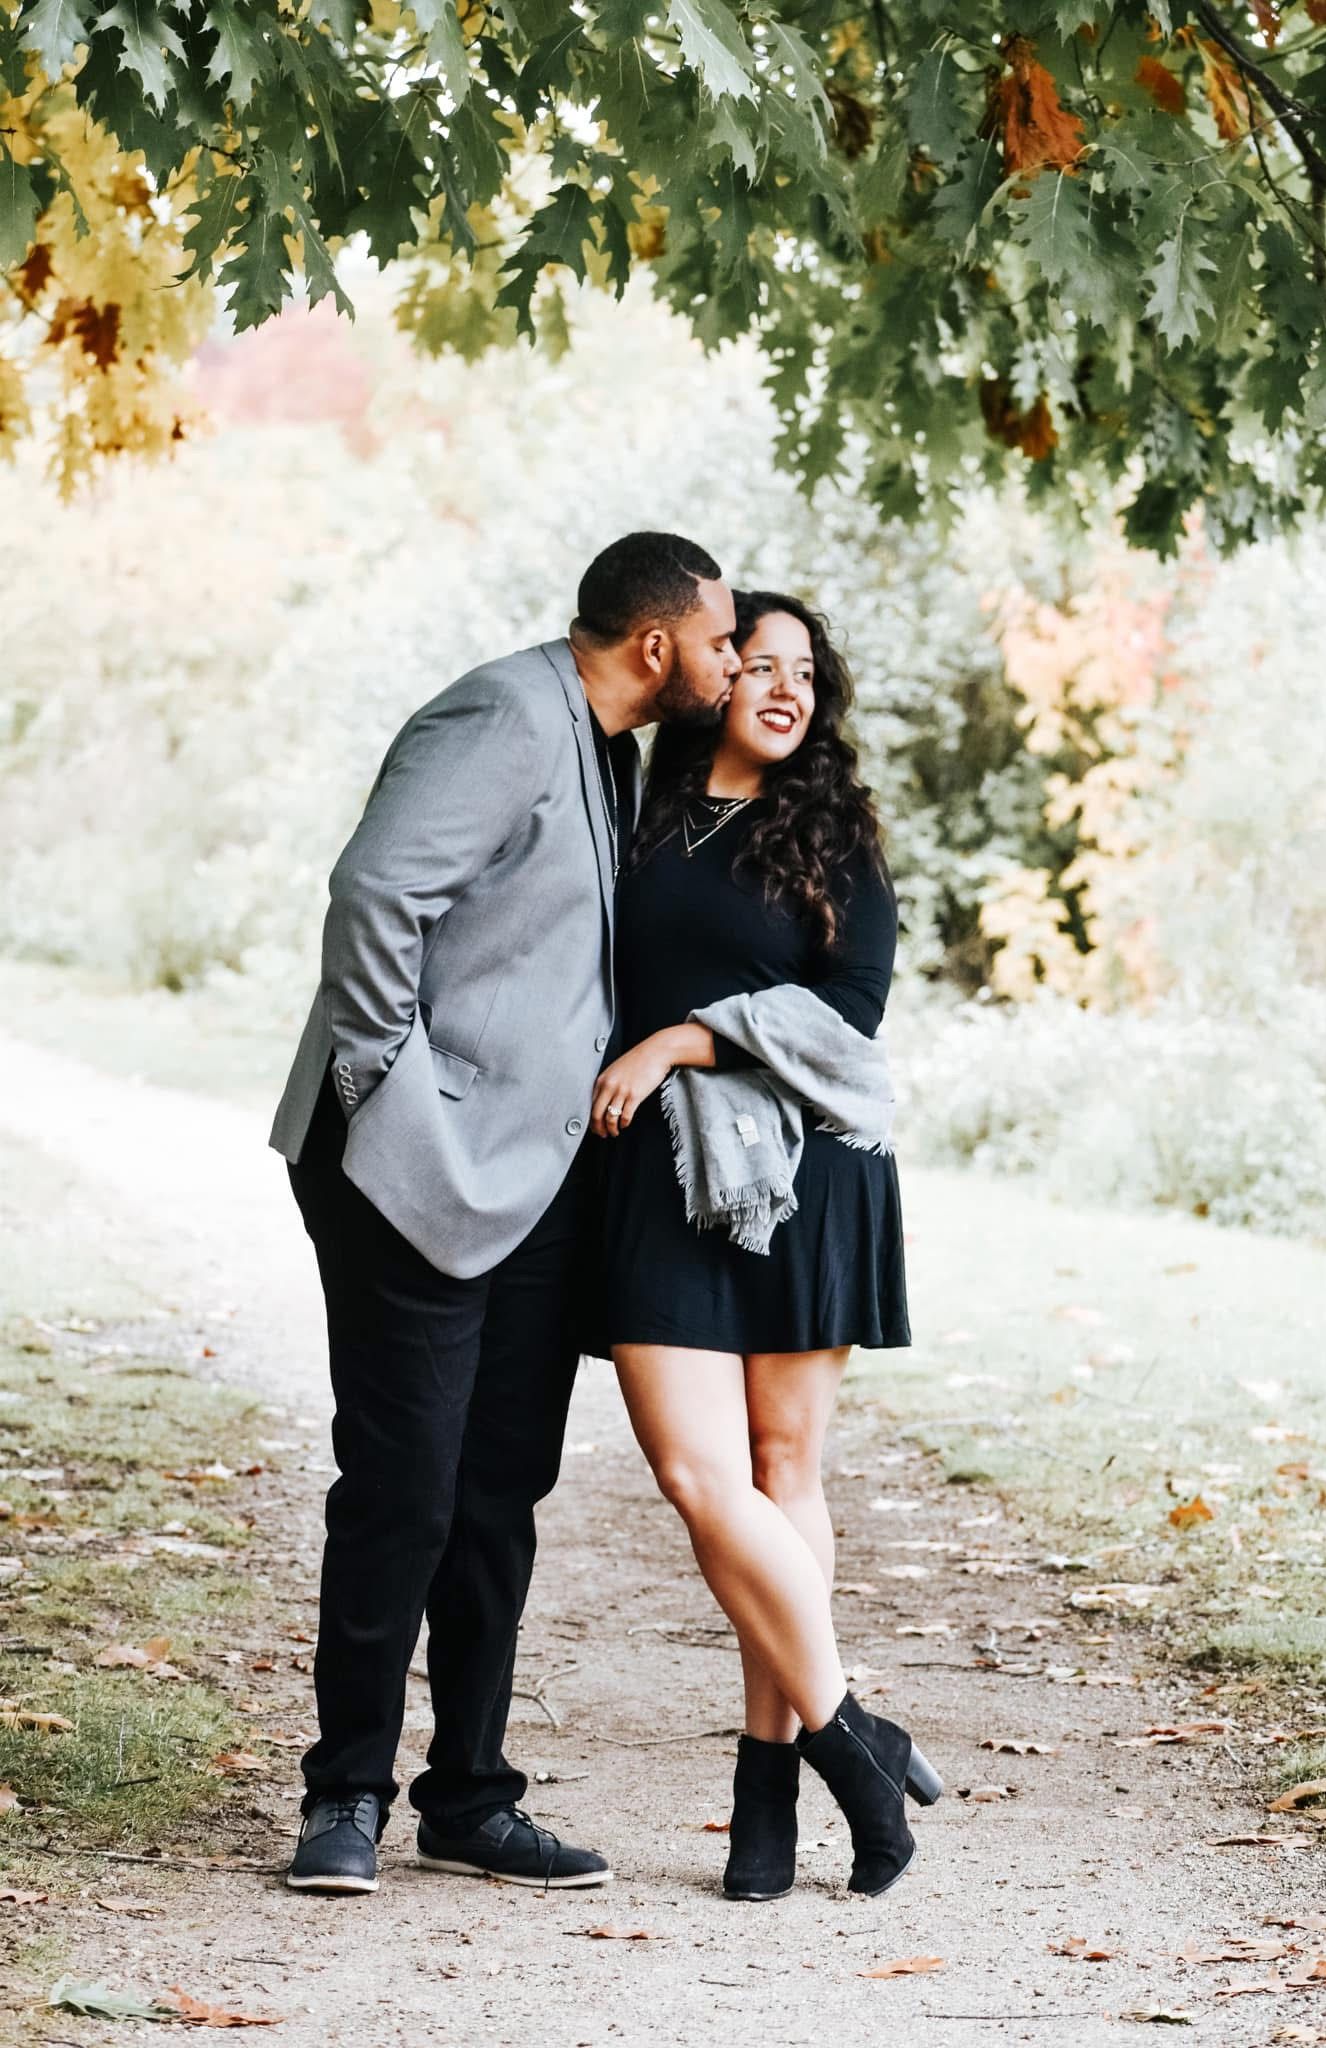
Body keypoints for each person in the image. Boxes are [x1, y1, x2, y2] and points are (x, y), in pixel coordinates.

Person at [268, 533, 741, 1894]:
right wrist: (389, 1093)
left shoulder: (614, 745)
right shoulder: (501, 710)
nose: (726, 661)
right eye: (717, 642)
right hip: (406, 1164)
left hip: (535, 1183)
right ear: (656, 645)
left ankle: (468, 1799)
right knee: (401, 1490)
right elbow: (374, 894)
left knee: (496, 1497)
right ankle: (343, 1797)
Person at [592, 590, 941, 1902]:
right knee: (698, 1475)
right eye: (761, 664)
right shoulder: (636, 811)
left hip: (803, 1177)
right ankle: (853, 1735)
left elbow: (849, 1019)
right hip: (652, 1177)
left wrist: (682, 1037)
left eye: (807, 671)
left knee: (784, 1465)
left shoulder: (836, 836)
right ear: (716, 676)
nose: (786, 688)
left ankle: (765, 1790)